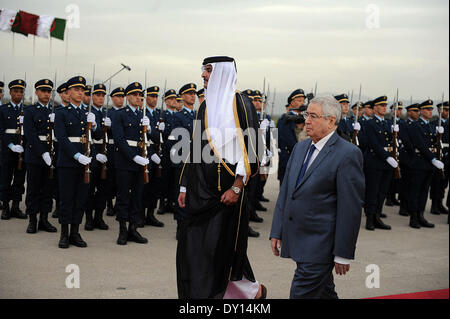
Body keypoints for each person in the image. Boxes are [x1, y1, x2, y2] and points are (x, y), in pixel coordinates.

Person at [176, 56, 265, 299]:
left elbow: (253, 150)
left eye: (208, 71)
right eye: (203, 70)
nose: (203, 75)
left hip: (227, 193)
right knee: (195, 247)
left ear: (223, 73)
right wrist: (184, 186)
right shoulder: (205, 107)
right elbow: (194, 148)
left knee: (220, 249)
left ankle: (247, 293)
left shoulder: (241, 104)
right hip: (201, 192)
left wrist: (237, 187)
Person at [270, 96, 364, 299]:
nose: (307, 121)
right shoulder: (301, 147)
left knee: (300, 294)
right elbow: (287, 192)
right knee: (324, 293)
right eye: (306, 115)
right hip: (298, 239)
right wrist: (277, 229)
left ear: (331, 121)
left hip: (320, 246)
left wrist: (343, 253)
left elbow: (350, 209)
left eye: (313, 116)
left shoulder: (347, 154)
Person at [54, 76, 100, 248]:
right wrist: (76, 156)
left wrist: (94, 125)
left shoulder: (87, 113)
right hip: (68, 162)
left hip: (86, 162)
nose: (80, 93)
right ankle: (64, 233)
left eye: (82, 90)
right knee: (67, 198)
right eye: (76, 90)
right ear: (69, 92)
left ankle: (75, 232)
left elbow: (96, 135)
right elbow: (62, 138)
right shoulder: (61, 113)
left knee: (81, 198)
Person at [111, 82, 152, 245]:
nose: (138, 98)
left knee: (137, 196)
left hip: (140, 162)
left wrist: (149, 130)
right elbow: (119, 140)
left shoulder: (142, 116)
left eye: (139, 95)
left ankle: (133, 228)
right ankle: (122, 229)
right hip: (125, 161)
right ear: (128, 97)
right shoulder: (120, 114)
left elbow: (149, 139)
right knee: (123, 196)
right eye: (134, 95)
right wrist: (134, 157)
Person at [23, 79, 58, 234]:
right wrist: (42, 152)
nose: (46, 94)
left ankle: (44, 219)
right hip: (35, 155)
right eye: (43, 91)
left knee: (47, 189)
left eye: (48, 91)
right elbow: (30, 134)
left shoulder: (55, 110)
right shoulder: (30, 110)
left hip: (51, 154)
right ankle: (32, 220)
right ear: (36, 92)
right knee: (33, 188)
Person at [406, 100, 444, 228]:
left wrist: (440, 135)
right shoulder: (416, 126)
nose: (430, 111)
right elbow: (420, 145)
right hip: (419, 163)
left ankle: (421, 215)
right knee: (415, 191)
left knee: (424, 191)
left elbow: (434, 145)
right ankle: (413, 217)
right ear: (421, 111)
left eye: (431, 109)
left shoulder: (431, 126)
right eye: (427, 109)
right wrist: (433, 159)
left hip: (429, 164)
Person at [363, 96, 395, 230]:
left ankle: (377, 217)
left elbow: (390, 143)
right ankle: (370, 219)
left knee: (382, 192)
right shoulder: (370, 123)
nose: (384, 108)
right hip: (375, 161)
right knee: (373, 191)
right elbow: (373, 143)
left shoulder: (387, 123)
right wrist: (387, 156)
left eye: (385, 106)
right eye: (381, 106)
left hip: (387, 163)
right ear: (375, 108)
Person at [0, 79, 28, 220]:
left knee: (19, 180)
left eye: (21, 91)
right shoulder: (3, 109)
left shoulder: (27, 110)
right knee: (5, 179)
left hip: (22, 150)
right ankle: (5, 207)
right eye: (15, 91)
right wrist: (11, 145)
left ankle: (15, 207)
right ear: (10, 92)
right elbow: (1, 131)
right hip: (7, 149)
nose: (18, 94)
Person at [84, 83, 109, 231]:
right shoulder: (88, 112)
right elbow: (86, 137)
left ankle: (99, 217)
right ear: (92, 96)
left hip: (105, 155)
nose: (100, 98)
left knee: (103, 189)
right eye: (97, 95)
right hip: (92, 154)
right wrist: (94, 154)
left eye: (102, 96)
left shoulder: (108, 113)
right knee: (90, 189)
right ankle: (88, 218)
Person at [141, 85, 164, 227]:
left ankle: (150, 214)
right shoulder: (143, 114)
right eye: (152, 96)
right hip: (146, 154)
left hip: (157, 154)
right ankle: (140, 215)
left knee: (155, 186)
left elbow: (159, 138)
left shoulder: (158, 115)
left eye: (156, 96)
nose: (154, 99)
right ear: (146, 98)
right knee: (144, 186)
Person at [277, 89, 306, 186]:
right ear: (291, 103)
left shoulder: (305, 118)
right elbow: (288, 140)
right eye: (299, 100)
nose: (302, 103)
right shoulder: (285, 118)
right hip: (289, 158)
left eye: (303, 101)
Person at [105, 86, 125, 217]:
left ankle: (118, 203)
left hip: (122, 150)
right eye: (118, 96)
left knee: (120, 180)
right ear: (112, 98)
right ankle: (109, 204)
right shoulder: (109, 113)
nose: (121, 99)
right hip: (111, 148)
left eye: (122, 96)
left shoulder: (126, 113)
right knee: (109, 179)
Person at [429, 101, 449, 215]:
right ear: (439, 110)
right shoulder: (434, 123)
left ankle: (440, 202)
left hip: (448, 155)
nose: (447, 112)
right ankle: (434, 204)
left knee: (444, 181)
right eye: (445, 110)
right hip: (438, 154)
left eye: (448, 110)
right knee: (436, 181)